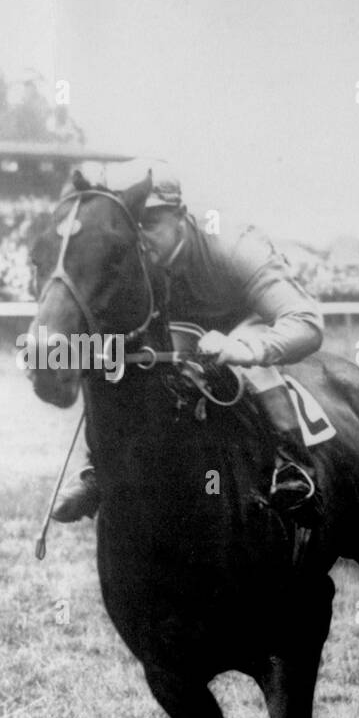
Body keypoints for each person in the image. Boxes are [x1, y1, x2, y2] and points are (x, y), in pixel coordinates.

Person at [50, 164, 324, 525]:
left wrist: (245, 350)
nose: (138, 236)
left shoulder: (232, 244)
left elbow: (306, 323)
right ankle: (100, 466)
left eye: (150, 222)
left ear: (181, 216)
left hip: (244, 323)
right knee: (116, 359)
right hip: (182, 333)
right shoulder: (129, 260)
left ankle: (290, 465)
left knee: (244, 361)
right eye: (129, 224)